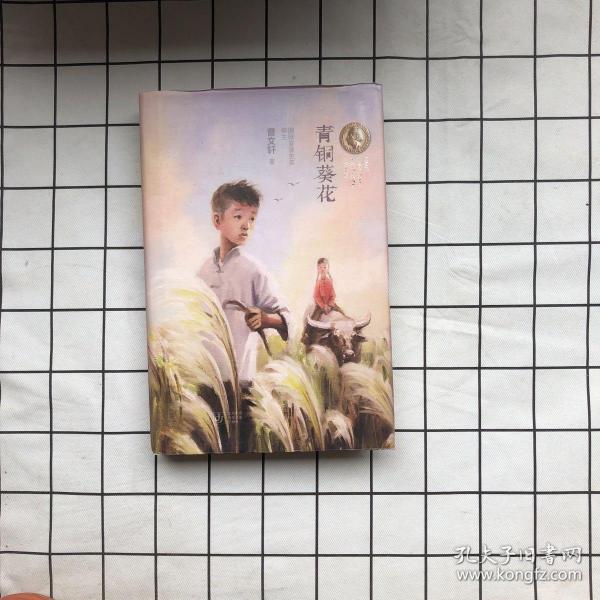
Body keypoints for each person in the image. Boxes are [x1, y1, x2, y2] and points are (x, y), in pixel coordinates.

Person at [197, 180, 290, 451]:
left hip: (241, 383)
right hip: (206, 382)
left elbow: (286, 317)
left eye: (252, 218)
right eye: (238, 216)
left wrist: (266, 318)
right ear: (217, 220)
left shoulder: (254, 270)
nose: (246, 225)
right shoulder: (202, 272)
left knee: (240, 448)